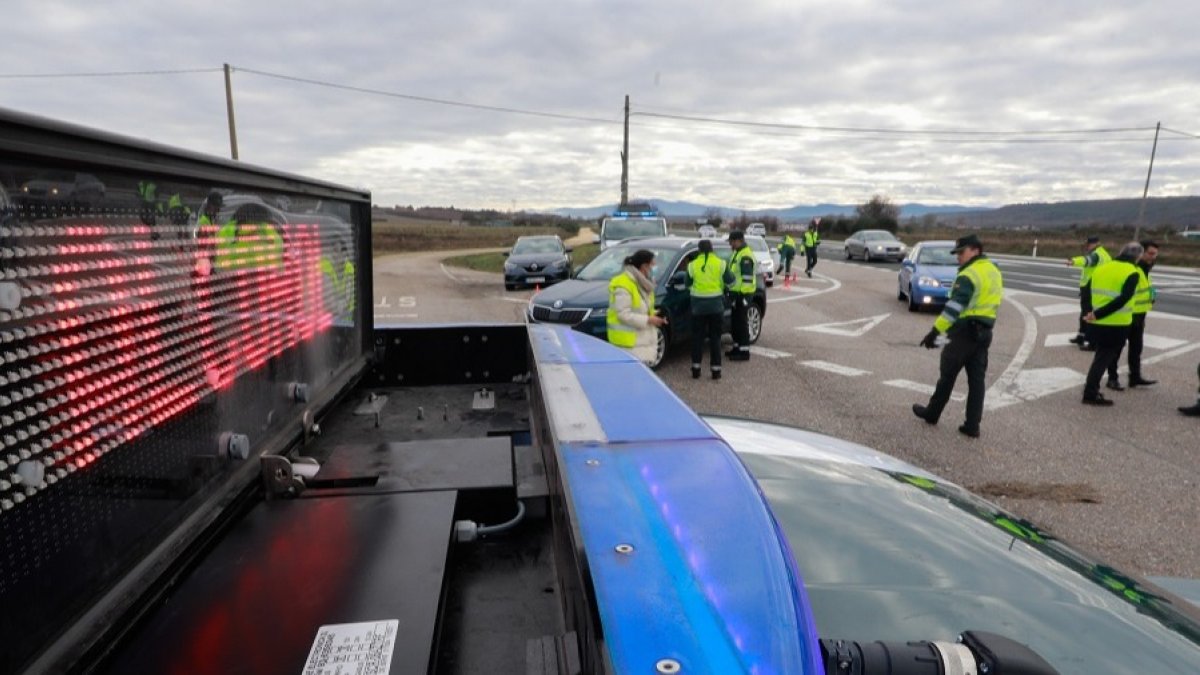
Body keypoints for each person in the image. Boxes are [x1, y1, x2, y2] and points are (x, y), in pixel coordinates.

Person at [911, 234, 1003, 438]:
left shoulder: (968, 275)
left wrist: (935, 333)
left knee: (947, 374)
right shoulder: (993, 271)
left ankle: (932, 414)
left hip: (963, 332)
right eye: (957, 253)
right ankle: (972, 425)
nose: (958, 257)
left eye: (962, 252)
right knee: (977, 381)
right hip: (984, 333)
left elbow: (953, 308)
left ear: (975, 250)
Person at [1080, 242, 1142, 406]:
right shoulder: (1132, 272)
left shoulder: (1102, 268)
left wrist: (1089, 314)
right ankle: (1090, 393)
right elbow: (1123, 299)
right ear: (1137, 256)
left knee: (1099, 357)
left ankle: (1091, 390)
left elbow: (1086, 292)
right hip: (1116, 324)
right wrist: (1097, 314)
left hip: (1096, 322)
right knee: (1102, 359)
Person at [1107, 240, 1160, 389]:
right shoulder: (1133, 268)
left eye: (1155, 254)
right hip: (1128, 314)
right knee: (1116, 348)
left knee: (1136, 348)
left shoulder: (1145, 268)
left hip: (1140, 315)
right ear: (1141, 253)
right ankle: (1112, 378)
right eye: (1150, 253)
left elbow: (1148, 285)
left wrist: (1153, 295)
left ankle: (1135, 377)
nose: (1153, 257)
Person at [606, 249, 667, 366]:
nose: (654, 269)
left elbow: (641, 308)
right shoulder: (624, 284)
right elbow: (623, 314)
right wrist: (648, 319)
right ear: (644, 266)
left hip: (640, 343)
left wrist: (655, 315)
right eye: (652, 265)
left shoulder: (643, 283)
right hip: (627, 345)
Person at [686, 238, 733, 380]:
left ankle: (695, 369)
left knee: (697, 338)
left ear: (699, 250)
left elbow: (687, 284)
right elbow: (731, 281)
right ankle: (716, 371)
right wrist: (722, 289)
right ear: (712, 249)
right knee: (715, 338)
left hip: (698, 307)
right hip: (716, 306)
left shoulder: (692, 265)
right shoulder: (721, 264)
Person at [1067, 236, 1111, 350]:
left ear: (1096, 243)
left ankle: (1092, 342)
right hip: (1094, 288)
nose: (1087, 247)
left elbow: (1088, 261)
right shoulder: (1104, 254)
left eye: (1089, 244)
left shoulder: (1097, 254)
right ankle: (1081, 337)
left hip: (1092, 288)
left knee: (1088, 315)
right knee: (1085, 314)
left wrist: (1074, 261)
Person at [725, 231, 758, 362]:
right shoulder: (737, 253)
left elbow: (747, 280)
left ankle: (744, 352)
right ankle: (737, 347)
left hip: (743, 295)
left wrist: (743, 298)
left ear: (738, 240)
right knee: (736, 324)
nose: (730, 244)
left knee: (742, 324)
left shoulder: (745, 256)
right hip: (736, 294)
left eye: (731, 242)